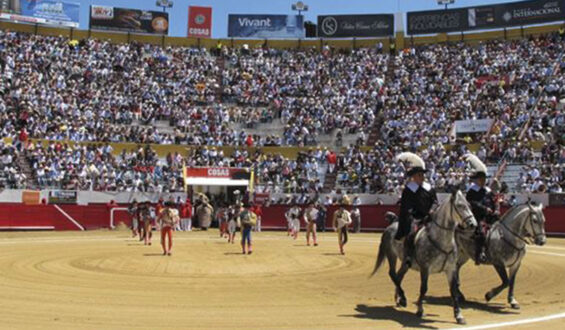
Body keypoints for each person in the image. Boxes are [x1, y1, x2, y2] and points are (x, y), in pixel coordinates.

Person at [394, 152, 438, 267]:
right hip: (415, 217)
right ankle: (408, 255)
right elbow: (406, 206)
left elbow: (435, 201)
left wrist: (432, 210)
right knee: (411, 233)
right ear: (413, 177)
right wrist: (411, 214)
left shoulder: (429, 188)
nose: (422, 177)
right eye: (419, 175)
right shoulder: (409, 190)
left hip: (429, 216)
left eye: (422, 175)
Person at [465, 153, 499, 264]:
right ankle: (480, 253)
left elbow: (493, 201)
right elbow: (472, 203)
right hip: (477, 216)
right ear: (477, 180)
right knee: (481, 233)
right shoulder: (471, 191)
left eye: (484, 178)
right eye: (481, 179)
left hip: (489, 215)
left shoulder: (488, 191)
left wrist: (495, 209)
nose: (483, 181)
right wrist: (484, 209)